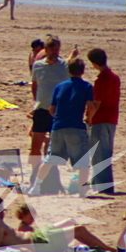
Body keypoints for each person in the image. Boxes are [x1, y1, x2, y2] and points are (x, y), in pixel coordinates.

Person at [28, 58, 94, 197]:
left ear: (68, 70)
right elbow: (90, 106)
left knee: (50, 159)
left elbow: (52, 108)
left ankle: (36, 187)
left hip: (58, 126)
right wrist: (88, 118)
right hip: (76, 126)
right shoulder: (87, 86)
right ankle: (82, 190)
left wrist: (57, 117)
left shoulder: (60, 86)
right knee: (83, 162)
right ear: (82, 71)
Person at [0, 197, 113, 252]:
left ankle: (100, 247)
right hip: (39, 242)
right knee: (78, 230)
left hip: (38, 235)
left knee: (70, 220)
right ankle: (109, 250)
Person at [29, 36, 78, 181]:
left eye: (57, 49)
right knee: (35, 144)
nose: (55, 52)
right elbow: (34, 85)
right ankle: (34, 173)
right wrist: (36, 101)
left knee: (52, 145)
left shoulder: (65, 65)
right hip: (41, 109)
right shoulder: (38, 65)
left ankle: (48, 175)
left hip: (58, 110)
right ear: (47, 50)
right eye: (52, 49)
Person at [87, 48, 120, 194]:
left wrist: (88, 118)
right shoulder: (114, 77)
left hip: (100, 119)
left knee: (100, 153)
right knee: (106, 151)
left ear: (94, 63)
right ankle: (98, 182)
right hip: (112, 119)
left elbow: (96, 104)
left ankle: (103, 185)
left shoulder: (101, 80)